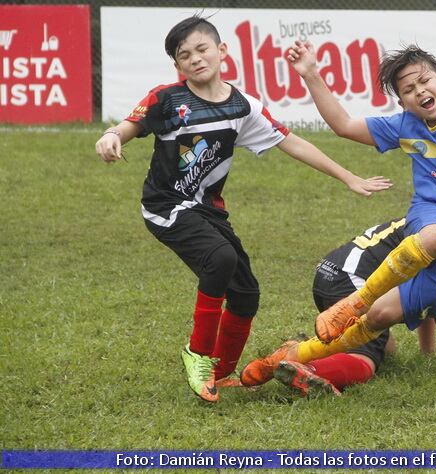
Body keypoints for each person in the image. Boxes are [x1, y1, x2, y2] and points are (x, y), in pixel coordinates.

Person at [94, 15, 391, 403]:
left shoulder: (242, 105)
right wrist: (111, 135)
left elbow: (291, 142)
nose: (195, 59)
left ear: (221, 51)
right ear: (177, 66)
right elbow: (130, 125)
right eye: (185, 56)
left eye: (202, 49)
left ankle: (219, 373)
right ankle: (198, 354)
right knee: (219, 259)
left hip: (208, 210)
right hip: (165, 206)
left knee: (247, 293)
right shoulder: (167, 98)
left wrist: (347, 176)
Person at [242, 42, 436, 373]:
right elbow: (344, 126)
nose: (419, 91)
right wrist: (311, 74)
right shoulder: (406, 126)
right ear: (402, 102)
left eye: (424, 81)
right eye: (409, 89)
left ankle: (287, 359)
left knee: (380, 316)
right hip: (432, 212)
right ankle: (352, 303)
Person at [242, 200, 436, 395]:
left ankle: (308, 349)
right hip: (353, 281)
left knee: (389, 349)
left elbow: (429, 302)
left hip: (334, 271)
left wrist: (428, 353)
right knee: (367, 360)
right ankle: (302, 369)